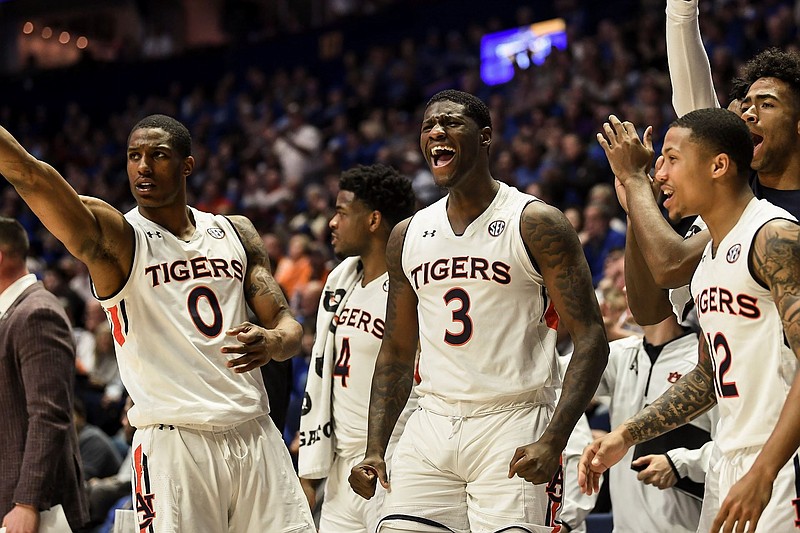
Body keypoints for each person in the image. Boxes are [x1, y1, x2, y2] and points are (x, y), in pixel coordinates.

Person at [0, 114, 316, 532]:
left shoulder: (235, 231)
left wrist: (274, 341)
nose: (143, 166)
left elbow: (286, 323)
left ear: (187, 165)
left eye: (157, 155)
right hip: (176, 445)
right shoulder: (118, 239)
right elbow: (31, 175)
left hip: (255, 433)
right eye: (134, 156)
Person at [348, 89, 609, 533]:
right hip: (431, 423)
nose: (436, 132)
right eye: (428, 126)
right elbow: (394, 350)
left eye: (450, 122)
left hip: (515, 422)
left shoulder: (534, 222)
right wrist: (376, 446)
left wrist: (554, 440)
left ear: (485, 137)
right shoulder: (408, 235)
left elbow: (591, 339)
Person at [582, 108, 800, 532]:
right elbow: (708, 377)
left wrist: (764, 471)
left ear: (719, 165)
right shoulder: (708, 259)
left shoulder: (774, 236)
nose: (659, 173)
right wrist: (626, 433)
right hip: (729, 460)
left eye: (671, 158)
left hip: (782, 460)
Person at [298, 163, 417, 532]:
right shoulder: (340, 279)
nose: (331, 223)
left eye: (341, 212)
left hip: (396, 461)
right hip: (341, 465)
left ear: (373, 220)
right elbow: (322, 377)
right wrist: (311, 466)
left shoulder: (411, 286)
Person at [0, 216, 89, 532]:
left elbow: (49, 415)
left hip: (37, 509)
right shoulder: (14, 313)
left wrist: (27, 502)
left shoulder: (36, 313)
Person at [594, 312, 715, 532]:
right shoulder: (622, 353)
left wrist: (681, 462)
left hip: (688, 526)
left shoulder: (704, 361)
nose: (624, 291)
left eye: (638, 278)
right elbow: (553, 380)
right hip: (623, 526)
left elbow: (734, 447)